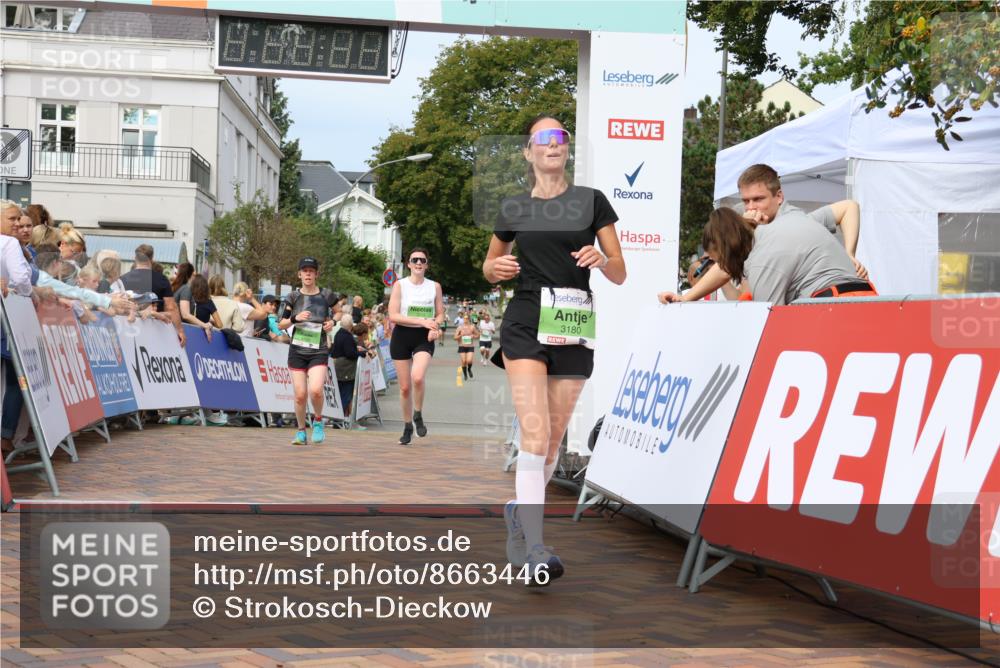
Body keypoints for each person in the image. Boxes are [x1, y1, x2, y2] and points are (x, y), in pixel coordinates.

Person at [482, 114, 625, 582]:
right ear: (528, 152)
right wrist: (497, 270)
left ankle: (520, 519)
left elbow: (620, 269)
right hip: (525, 320)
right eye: (544, 138)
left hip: (573, 321)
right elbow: (490, 264)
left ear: (567, 149)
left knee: (551, 443)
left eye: (561, 137)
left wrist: (602, 261)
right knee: (537, 434)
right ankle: (539, 547)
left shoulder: (591, 202)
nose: (554, 144)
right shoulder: (515, 208)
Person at [660, 163, 868, 303]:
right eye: (745, 200)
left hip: (834, 301)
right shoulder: (787, 221)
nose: (751, 208)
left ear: (779, 197)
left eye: (758, 199)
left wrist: (849, 255)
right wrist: (686, 298)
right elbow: (729, 260)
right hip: (851, 299)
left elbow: (849, 207)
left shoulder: (793, 221)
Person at [698, 207, 878, 305]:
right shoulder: (793, 218)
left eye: (720, 260)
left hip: (833, 306)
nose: (722, 267)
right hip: (868, 298)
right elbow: (849, 206)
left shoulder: (763, 260)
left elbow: (768, 323)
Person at [276, 257, 338, 446]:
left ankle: (318, 422)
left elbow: (340, 311)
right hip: (298, 349)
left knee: (316, 390)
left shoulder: (326, 295)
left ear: (317, 274)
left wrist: (332, 322)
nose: (308, 274)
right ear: (299, 274)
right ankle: (301, 431)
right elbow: (281, 323)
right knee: (300, 394)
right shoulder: (293, 297)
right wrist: (296, 318)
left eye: (311, 271)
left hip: (318, 349)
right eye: (305, 271)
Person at [387, 247, 444, 445]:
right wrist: (422, 321)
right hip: (402, 335)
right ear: (408, 264)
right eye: (415, 260)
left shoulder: (434, 286)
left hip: (423, 337)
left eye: (422, 260)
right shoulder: (400, 285)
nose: (419, 263)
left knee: (417, 377)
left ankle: (418, 413)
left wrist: (435, 325)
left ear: (427, 265)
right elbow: (393, 315)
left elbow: (440, 314)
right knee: (404, 388)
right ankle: (407, 425)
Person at [119, 244, 185, 347]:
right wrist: (180, 331)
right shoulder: (162, 279)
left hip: (129, 330)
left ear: (135, 258)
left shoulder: (123, 279)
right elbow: (171, 307)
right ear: (152, 259)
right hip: (156, 332)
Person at [330, 313, 363, 421]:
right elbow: (350, 354)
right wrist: (361, 354)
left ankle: (337, 417)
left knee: (339, 393)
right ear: (350, 325)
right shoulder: (347, 336)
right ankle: (339, 418)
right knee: (346, 394)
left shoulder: (339, 333)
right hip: (346, 370)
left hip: (338, 367)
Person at [454, 314, 478, 381]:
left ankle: (469, 369)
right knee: (464, 361)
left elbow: (478, 335)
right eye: (464, 318)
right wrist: (460, 335)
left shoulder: (472, 327)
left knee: (469, 360)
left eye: (467, 318)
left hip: (470, 346)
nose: (465, 320)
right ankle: (465, 375)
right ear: (463, 319)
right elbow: (455, 337)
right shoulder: (459, 328)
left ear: (469, 319)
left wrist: (473, 336)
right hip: (462, 346)